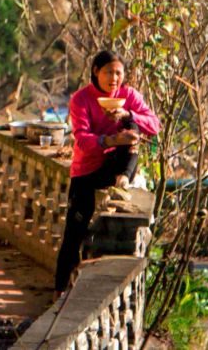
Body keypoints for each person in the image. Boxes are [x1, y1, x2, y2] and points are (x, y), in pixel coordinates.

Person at [55, 49, 159, 292]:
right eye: (108, 72)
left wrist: (128, 114)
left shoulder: (128, 95)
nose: (114, 78)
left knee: (133, 125)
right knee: (74, 233)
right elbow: (81, 139)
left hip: (117, 164)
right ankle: (58, 290)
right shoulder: (81, 99)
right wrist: (110, 141)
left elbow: (154, 125)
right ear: (95, 72)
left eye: (118, 73)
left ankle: (123, 178)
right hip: (87, 170)